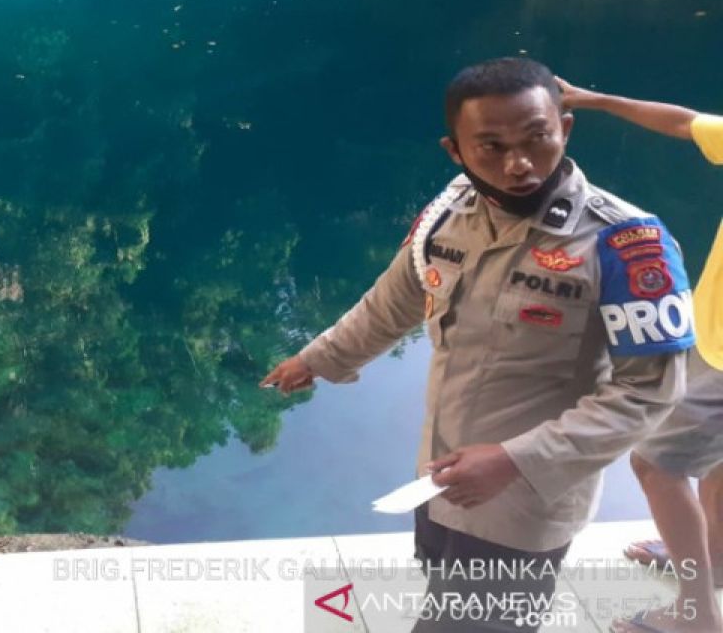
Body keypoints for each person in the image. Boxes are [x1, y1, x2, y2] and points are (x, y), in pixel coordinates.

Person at [262, 57, 693, 632]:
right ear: (456, 151)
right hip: (440, 480)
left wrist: (516, 459)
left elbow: (648, 394)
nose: (519, 164)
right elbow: (394, 300)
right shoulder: (449, 213)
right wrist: (320, 357)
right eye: (490, 146)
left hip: (527, 502)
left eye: (537, 138)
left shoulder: (626, 243)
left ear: (564, 128)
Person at [558, 77, 723, 633]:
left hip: (722, 356)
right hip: (709, 337)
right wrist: (596, 99)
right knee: (718, 461)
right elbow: (683, 120)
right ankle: (714, 558)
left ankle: (695, 615)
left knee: (657, 463)